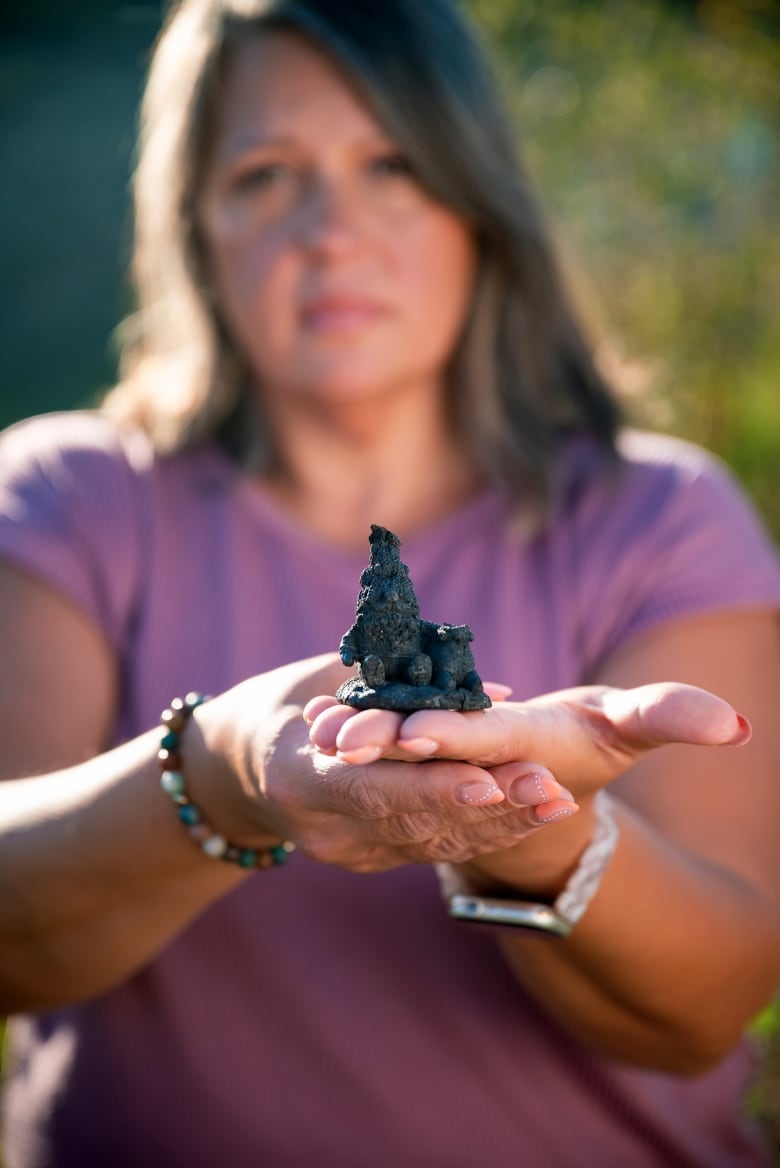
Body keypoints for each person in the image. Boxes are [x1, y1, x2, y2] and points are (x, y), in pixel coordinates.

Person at [1, 0, 779, 1164]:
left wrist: (523, 825)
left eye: (395, 165)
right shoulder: (65, 499)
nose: (332, 231)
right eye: (267, 173)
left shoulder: (663, 516)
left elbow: (705, 1007)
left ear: (482, 208)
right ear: (196, 224)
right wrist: (223, 771)